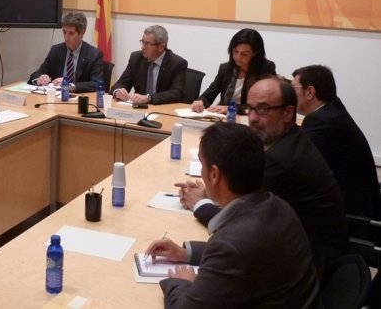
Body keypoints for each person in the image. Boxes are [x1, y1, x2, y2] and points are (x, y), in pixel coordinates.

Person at [177, 77, 348, 274]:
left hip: (308, 268)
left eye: (264, 109)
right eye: (250, 108)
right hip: (299, 253)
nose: (253, 118)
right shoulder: (290, 140)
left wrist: (199, 203)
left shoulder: (281, 161)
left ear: (288, 113)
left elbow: (239, 226)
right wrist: (211, 192)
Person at [146, 122, 321, 308]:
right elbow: (246, 256)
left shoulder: (231, 245)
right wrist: (185, 254)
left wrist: (182, 282)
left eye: (202, 164)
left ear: (214, 175)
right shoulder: (276, 205)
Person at [292, 65, 381, 220]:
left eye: (293, 88)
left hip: (351, 216)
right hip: (361, 204)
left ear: (310, 92)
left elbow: (298, 164)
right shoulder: (332, 110)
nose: (290, 94)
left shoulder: (321, 121)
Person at [191, 28, 276, 114]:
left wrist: (232, 108)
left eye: (244, 54)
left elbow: (263, 104)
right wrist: (200, 102)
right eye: (235, 51)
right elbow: (209, 94)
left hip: (250, 119)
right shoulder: (225, 68)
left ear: (255, 53)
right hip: (225, 117)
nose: (238, 57)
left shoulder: (265, 69)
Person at [110, 25, 187, 104]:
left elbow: (177, 93)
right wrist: (118, 92)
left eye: (147, 43)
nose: (142, 47)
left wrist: (148, 97)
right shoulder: (136, 58)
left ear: (161, 47)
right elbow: (121, 83)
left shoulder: (177, 63)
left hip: (162, 109)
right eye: (142, 42)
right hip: (138, 109)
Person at [28, 11, 104, 93]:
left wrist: (70, 86)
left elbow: (97, 84)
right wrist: (40, 79)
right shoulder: (56, 50)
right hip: (56, 99)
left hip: (78, 100)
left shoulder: (94, 54)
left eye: (71, 33)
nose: (66, 38)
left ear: (82, 32)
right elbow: (34, 76)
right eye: (64, 32)